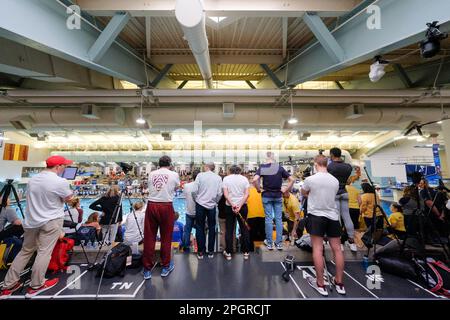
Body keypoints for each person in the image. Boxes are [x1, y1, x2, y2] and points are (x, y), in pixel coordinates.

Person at [0, 155, 74, 299]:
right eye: (64, 165)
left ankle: (8, 285)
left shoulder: (33, 180)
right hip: (50, 221)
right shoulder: (60, 181)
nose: (65, 168)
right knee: (44, 252)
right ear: (58, 167)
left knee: (25, 251)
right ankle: (36, 285)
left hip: (31, 222)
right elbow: (69, 198)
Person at [301, 155, 345, 296]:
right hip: (332, 216)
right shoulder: (334, 180)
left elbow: (304, 192)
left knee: (318, 249)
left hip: (316, 216)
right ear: (327, 164)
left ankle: (320, 284)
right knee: (337, 249)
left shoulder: (310, 179)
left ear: (315, 164)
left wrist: (312, 195)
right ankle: (339, 282)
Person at [143, 156, 180, 280]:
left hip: (152, 205)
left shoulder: (151, 174)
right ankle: (165, 267)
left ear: (159, 164)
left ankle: (147, 269)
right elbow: (175, 188)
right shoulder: (174, 174)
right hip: (166, 205)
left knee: (149, 238)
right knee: (166, 238)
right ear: (170, 164)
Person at [253, 152, 294, 251]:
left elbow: (254, 180)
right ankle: (279, 243)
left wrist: (258, 189)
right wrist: (285, 189)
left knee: (268, 219)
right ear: (274, 158)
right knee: (279, 219)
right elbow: (292, 179)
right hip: (278, 196)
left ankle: (270, 243)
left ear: (266, 158)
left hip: (266, 195)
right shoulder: (279, 167)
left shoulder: (263, 167)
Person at [327, 147, 357, 252]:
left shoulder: (330, 167)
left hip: (334, 193)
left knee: (337, 218)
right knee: (347, 217)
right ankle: (352, 242)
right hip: (344, 192)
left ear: (332, 155)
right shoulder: (348, 167)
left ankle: (339, 243)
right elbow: (348, 180)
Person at [193, 162, 223, 259]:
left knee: (199, 227)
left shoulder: (200, 176)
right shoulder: (218, 178)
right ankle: (210, 251)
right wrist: (215, 202)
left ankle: (201, 252)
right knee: (212, 227)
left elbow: (194, 191)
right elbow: (219, 193)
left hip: (200, 204)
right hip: (212, 205)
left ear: (206, 167)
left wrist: (197, 200)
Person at [222, 165, 251, 261]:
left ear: (230, 170)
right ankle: (246, 252)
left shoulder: (226, 179)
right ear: (240, 170)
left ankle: (229, 253)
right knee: (244, 229)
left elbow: (226, 195)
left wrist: (233, 205)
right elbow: (247, 194)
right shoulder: (244, 179)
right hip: (242, 207)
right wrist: (239, 206)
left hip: (230, 207)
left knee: (229, 230)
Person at [246, 179, 265, 251]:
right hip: (262, 215)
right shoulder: (262, 192)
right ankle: (262, 251)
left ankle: (250, 251)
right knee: (262, 235)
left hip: (251, 215)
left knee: (251, 236)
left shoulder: (248, 192)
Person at [182, 170, 198, 252]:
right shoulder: (201, 186)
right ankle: (200, 247)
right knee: (200, 229)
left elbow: (185, 196)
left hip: (189, 212)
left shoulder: (186, 186)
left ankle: (186, 247)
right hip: (199, 213)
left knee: (187, 230)